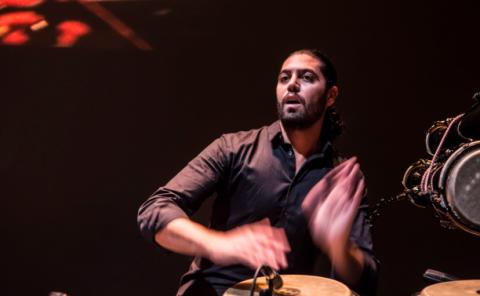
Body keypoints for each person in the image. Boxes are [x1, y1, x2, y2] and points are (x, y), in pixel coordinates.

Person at [137, 49, 378, 296]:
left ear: (331, 96)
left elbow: (366, 280)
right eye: (284, 78)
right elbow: (155, 210)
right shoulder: (233, 148)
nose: (292, 84)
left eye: (306, 77)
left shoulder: (341, 176)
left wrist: (339, 245)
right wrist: (219, 244)